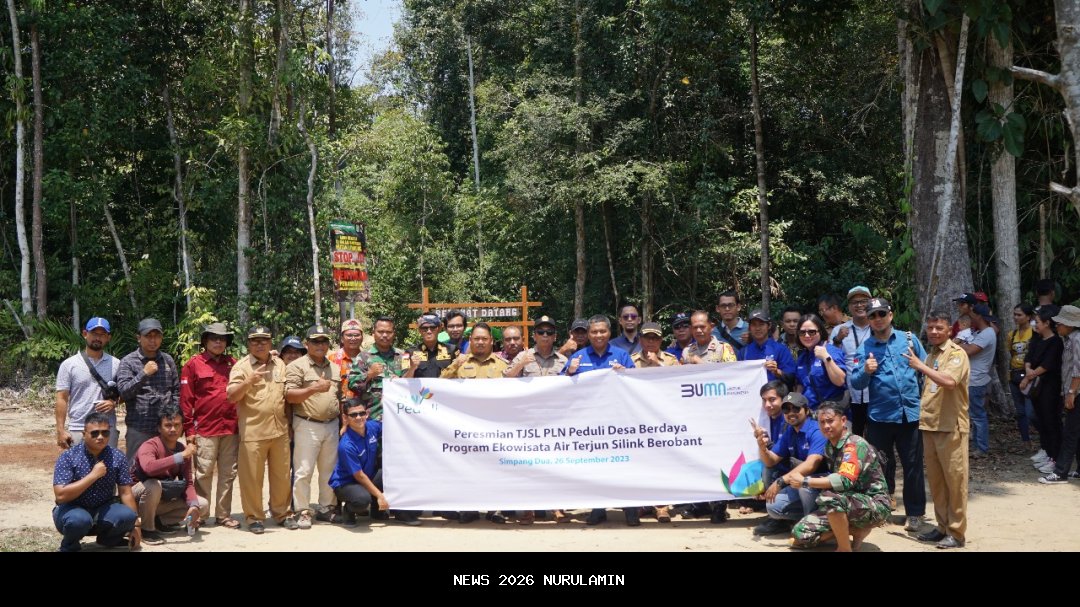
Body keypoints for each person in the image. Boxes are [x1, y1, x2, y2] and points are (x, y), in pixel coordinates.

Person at [848, 297, 927, 532]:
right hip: (880, 417)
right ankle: (881, 509)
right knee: (881, 467)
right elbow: (855, 382)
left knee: (912, 466)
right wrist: (866, 371)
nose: (878, 319)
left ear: (890, 315)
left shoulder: (909, 340)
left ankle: (915, 514)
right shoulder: (864, 349)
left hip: (908, 415)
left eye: (881, 314)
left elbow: (925, 369)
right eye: (873, 316)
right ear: (869, 320)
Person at [562, 315, 640, 525]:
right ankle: (598, 508)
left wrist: (625, 375)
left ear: (609, 333)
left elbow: (638, 386)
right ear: (588, 334)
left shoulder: (621, 355)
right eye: (594, 332)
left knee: (624, 465)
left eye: (602, 331)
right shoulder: (578, 357)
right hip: (589, 424)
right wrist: (569, 372)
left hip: (619, 422)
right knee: (597, 467)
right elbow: (558, 389)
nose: (598, 335)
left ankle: (630, 509)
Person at [903, 309, 969, 549]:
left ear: (949, 329)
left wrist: (920, 366)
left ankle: (957, 533)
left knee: (955, 482)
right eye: (930, 327)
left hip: (951, 427)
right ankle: (942, 527)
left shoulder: (957, 354)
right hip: (930, 426)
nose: (933, 332)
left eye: (939, 327)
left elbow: (950, 382)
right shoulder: (932, 355)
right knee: (937, 482)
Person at [790, 401, 891, 552]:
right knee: (800, 535)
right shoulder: (829, 447)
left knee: (830, 497)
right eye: (822, 422)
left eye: (830, 421)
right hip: (848, 501)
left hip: (874, 503)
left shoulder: (854, 444)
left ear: (843, 421)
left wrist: (805, 481)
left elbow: (843, 481)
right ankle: (855, 531)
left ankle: (844, 548)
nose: (826, 426)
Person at [441, 323, 510, 524]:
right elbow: (439, 382)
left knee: (495, 467)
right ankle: (469, 508)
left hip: (494, 427)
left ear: (491, 341)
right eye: (476, 339)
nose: (480, 342)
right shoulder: (460, 363)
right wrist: (455, 364)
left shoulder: (502, 365)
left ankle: (495, 509)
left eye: (484, 339)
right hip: (466, 427)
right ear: (470, 341)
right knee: (467, 467)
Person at [228, 324, 293, 533]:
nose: (260, 344)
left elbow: (286, 396)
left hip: (280, 431)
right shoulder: (241, 367)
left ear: (270, 343)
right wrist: (248, 381)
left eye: (264, 340)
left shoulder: (280, 364)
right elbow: (231, 396)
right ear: (248, 344)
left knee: (282, 477)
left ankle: (282, 513)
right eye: (255, 341)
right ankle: (254, 517)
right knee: (252, 480)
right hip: (253, 432)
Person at [179, 322, 239, 529]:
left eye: (222, 339)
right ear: (205, 341)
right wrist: (189, 432)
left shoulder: (234, 364)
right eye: (213, 338)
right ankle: (201, 514)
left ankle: (223, 515)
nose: (218, 342)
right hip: (205, 429)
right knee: (203, 473)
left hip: (231, 428)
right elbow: (186, 402)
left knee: (228, 473)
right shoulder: (193, 364)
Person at [52, 412, 140, 552]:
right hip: (72, 509)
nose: (100, 437)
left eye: (105, 433)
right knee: (79, 520)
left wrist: (135, 526)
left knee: (128, 515)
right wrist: (93, 476)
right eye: (95, 433)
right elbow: (61, 496)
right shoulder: (68, 457)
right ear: (84, 433)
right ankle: (70, 545)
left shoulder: (117, 456)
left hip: (103, 508)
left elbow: (126, 492)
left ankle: (108, 540)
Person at [286, 325, 343, 529]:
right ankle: (303, 510)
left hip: (332, 424)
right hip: (307, 423)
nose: (320, 345)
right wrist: (313, 388)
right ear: (306, 343)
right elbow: (289, 395)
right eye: (315, 341)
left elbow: (339, 397)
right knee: (304, 470)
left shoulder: (334, 367)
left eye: (323, 341)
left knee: (329, 469)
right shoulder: (297, 366)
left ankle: (326, 508)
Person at [130, 404, 209, 545]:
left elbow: (188, 483)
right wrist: (180, 457)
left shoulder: (182, 450)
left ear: (182, 427)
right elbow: (149, 468)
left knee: (202, 504)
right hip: (137, 498)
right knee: (153, 485)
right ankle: (148, 529)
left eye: (177, 425)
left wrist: (193, 506)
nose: (173, 429)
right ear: (159, 428)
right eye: (168, 425)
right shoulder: (149, 445)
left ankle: (159, 521)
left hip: (161, 498)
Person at [751, 393, 827, 536]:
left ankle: (814, 528)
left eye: (796, 409)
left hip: (821, 484)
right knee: (773, 507)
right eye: (786, 410)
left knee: (805, 485)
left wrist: (781, 481)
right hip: (799, 483)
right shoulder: (790, 431)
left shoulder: (816, 430)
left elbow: (812, 465)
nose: (791, 413)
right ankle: (790, 522)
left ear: (806, 410)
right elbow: (771, 460)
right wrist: (762, 447)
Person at [116, 318, 180, 464]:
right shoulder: (128, 361)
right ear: (138, 338)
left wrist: (174, 419)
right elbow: (124, 393)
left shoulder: (167, 360)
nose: (153, 340)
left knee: (165, 469)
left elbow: (176, 390)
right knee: (135, 469)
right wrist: (144, 374)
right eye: (148, 336)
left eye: (157, 336)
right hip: (139, 428)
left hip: (165, 428)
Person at [55, 317, 120, 450]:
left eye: (102, 334)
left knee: (108, 469)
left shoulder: (116, 364)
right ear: (85, 334)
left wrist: (114, 402)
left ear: (108, 337)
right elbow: (61, 398)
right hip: (78, 428)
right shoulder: (69, 365)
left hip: (106, 428)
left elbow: (125, 392)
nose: (98, 338)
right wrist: (60, 430)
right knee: (78, 469)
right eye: (94, 333)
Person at [329, 399, 392, 525]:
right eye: (353, 415)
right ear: (345, 418)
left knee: (389, 474)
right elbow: (359, 476)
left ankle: (377, 511)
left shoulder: (371, 427)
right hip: (346, 483)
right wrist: (380, 496)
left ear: (367, 414)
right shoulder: (346, 445)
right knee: (362, 500)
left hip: (366, 476)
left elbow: (392, 426)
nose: (359, 417)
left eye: (362, 413)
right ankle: (348, 510)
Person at [1039, 305, 1080, 484]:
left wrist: (1071, 392)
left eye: (1061, 323)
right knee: (1076, 431)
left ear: (1070, 325)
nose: (1057, 326)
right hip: (1073, 390)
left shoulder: (1077, 340)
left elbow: (1078, 370)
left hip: (1077, 392)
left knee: (1070, 432)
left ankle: (1061, 471)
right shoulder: (1069, 339)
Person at [1025, 306, 1064, 474]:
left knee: (1051, 422)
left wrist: (1030, 376)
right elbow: (1030, 358)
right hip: (1037, 388)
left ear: (1048, 323)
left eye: (1038, 321)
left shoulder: (1056, 342)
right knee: (1042, 421)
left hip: (1050, 388)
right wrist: (1028, 371)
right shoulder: (1038, 339)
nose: (1036, 324)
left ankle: (1056, 458)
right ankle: (1049, 454)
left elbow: (1046, 365)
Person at [954, 303, 997, 458]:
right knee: (974, 415)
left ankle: (982, 448)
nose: (970, 317)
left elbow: (971, 350)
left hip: (976, 380)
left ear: (979, 316)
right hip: (973, 379)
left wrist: (955, 344)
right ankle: (978, 446)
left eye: (972, 315)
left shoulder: (986, 334)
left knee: (978, 415)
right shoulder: (983, 332)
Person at [347, 316, 409, 420]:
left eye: (388, 332)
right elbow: (352, 384)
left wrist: (402, 381)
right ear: (373, 333)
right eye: (380, 331)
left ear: (394, 334)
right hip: (373, 418)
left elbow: (411, 383)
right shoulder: (363, 357)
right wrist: (369, 375)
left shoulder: (403, 356)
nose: (384, 335)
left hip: (399, 417)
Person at [831, 286, 873, 435]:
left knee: (876, 435)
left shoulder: (878, 326)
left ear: (871, 302)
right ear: (849, 306)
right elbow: (832, 359)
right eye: (855, 302)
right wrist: (838, 340)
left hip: (875, 392)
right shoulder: (839, 330)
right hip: (850, 393)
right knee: (854, 434)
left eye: (863, 301)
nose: (859, 305)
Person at [794, 314, 848, 410]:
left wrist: (826, 357)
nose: (806, 335)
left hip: (831, 414)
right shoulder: (802, 357)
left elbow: (840, 381)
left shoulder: (831, 352)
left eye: (811, 332)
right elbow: (801, 385)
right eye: (802, 332)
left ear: (820, 332)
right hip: (810, 413)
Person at [737, 309, 796, 385]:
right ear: (749, 327)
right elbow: (739, 377)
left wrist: (776, 371)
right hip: (750, 394)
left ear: (769, 326)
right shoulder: (743, 352)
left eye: (761, 324)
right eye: (754, 325)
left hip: (775, 395)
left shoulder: (781, 349)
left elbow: (792, 378)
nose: (757, 328)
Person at [1007, 304, 1037, 451]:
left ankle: (1046, 439)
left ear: (1028, 316)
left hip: (1030, 374)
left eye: (1019, 315)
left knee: (1031, 412)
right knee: (1020, 412)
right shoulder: (1012, 334)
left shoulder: (1034, 333)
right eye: (1015, 314)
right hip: (1014, 374)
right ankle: (1026, 442)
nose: (1016, 317)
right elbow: (1011, 352)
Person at [404, 314, 457, 378]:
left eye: (433, 327)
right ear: (419, 330)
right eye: (424, 328)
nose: (429, 331)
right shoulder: (407, 353)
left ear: (439, 329)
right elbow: (402, 381)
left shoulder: (452, 350)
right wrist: (412, 368)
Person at [329, 319, 364, 403]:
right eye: (349, 335)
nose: (353, 338)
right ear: (342, 338)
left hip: (362, 411)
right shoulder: (331, 359)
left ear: (362, 338)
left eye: (356, 335)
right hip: (339, 409)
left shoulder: (368, 358)